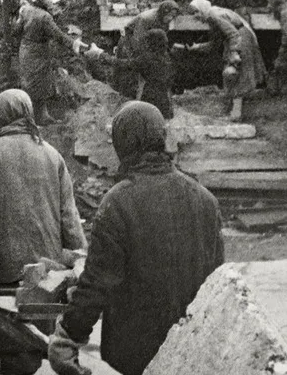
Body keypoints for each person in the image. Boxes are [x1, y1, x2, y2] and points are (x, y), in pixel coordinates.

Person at [48, 101, 224, 375]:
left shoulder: (118, 203)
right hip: (190, 346)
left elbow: (98, 282)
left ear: (122, 144)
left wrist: (67, 335)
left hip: (133, 352)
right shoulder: (206, 201)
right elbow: (217, 285)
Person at [0, 89, 87, 375]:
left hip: (2, 280)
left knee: (14, 359)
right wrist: (80, 263)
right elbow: (69, 219)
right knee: (42, 346)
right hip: (45, 280)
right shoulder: (52, 157)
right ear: (29, 115)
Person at [179, 0, 266, 121]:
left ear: (203, 8)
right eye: (193, 13)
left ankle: (236, 114)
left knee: (236, 75)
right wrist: (196, 47)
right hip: (235, 40)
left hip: (241, 40)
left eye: (196, 12)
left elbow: (233, 34)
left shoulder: (214, 15)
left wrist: (235, 53)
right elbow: (215, 43)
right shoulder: (211, 18)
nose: (195, 16)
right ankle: (234, 110)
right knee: (231, 75)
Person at [13, 0, 89, 125]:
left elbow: (16, 31)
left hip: (25, 51)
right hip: (38, 54)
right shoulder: (44, 16)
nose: (50, 0)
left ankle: (39, 116)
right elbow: (57, 35)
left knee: (32, 84)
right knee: (37, 85)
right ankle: (33, 118)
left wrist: (19, 16)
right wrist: (73, 43)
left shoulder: (27, 11)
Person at [93, 29, 175, 119]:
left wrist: (102, 55)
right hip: (165, 98)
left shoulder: (147, 58)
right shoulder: (167, 57)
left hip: (150, 96)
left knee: (146, 120)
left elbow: (124, 64)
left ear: (152, 42)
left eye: (148, 41)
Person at [112, 0, 180, 98]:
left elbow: (161, 39)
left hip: (146, 42)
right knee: (129, 69)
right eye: (169, 15)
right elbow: (137, 39)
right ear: (163, 12)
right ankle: (123, 96)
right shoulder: (146, 19)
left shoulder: (165, 21)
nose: (170, 18)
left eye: (173, 16)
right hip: (129, 41)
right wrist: (144, 59)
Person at [264, 0, 287, 94]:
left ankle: (279, 89)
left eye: (269, 2)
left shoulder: (284, 13)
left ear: (275, 2)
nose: (268, 6)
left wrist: (283, 48)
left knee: (279, 65)